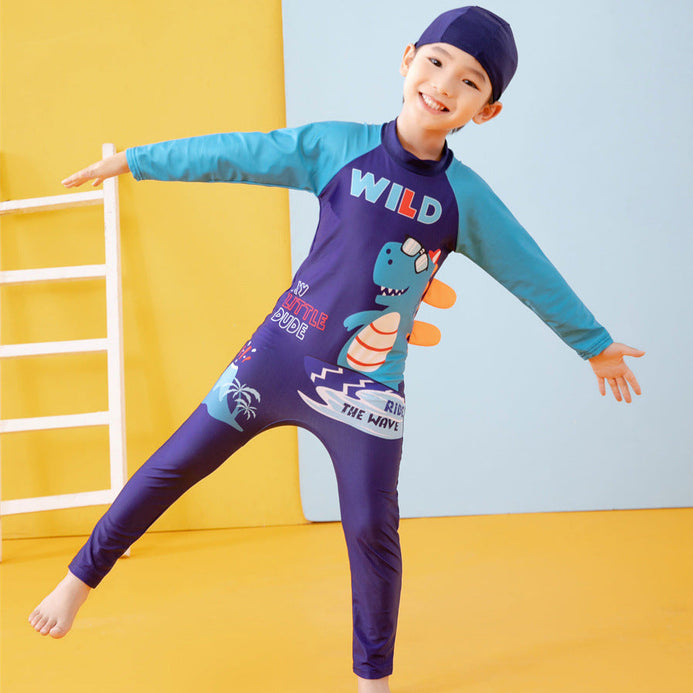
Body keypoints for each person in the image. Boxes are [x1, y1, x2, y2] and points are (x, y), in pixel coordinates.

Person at [28, 7, 643, 692]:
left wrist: (593, 344)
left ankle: (372, 681)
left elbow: (528, 269)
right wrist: (136, 160)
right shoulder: (335, 146)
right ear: (407, 59)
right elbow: (237, 153)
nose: (445, 85)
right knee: (173, 464)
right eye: (436, 62)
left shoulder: (464, 199)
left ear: (486, 111)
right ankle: (77, 580)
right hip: (274, 358)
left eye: (470, 81)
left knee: (372, 529)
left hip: (368, 390)